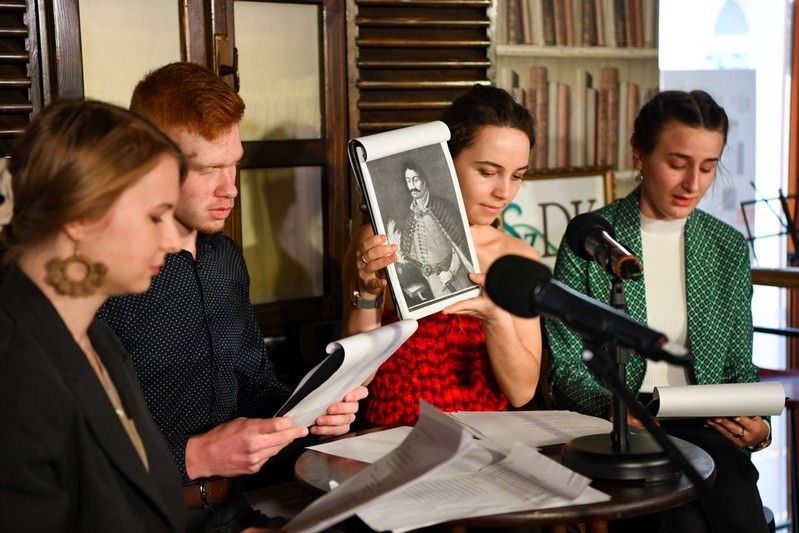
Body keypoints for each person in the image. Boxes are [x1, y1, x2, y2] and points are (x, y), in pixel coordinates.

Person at [97, 62, 367, 531]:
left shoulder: (224, 258)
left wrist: (313, 413)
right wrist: (196, 455)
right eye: (208, 169)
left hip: (234, 510)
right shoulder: (105, 275)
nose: (231, 189)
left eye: (234, 164)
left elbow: (255, 389)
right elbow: (74, 444)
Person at [546, 89, 771, 533]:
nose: (693, 183)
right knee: (684, 518)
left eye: (708, 167)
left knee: (729, 474)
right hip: (623, 428)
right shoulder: (593, 243)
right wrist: (612, 407)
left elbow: (738, 368)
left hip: (708, 426)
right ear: (641, 155)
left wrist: (759, 428)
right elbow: (565, 370)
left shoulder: (726, 247)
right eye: (677, 163)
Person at [0, 99, 186, 530]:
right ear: (80, 215)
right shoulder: (13, 375)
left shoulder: (97, 337)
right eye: (156, 217)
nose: (173, 240)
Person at [343, 84, 543, 426]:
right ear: (443, 162)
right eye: (487, 172)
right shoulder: (379, 240)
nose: (504, 192)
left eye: (517, 176)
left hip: (485, 439)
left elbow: (521, 392)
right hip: (394, 436)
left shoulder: (516, 257)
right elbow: (354, 382)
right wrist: (368, 293)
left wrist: (496, 319)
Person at [389, 159, 473, 302]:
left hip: (455, 277)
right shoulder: (411, 216)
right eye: (408, 181)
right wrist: (404, 258)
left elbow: (457, 246)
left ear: (424, 180)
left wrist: (450, 272)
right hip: (431, 283)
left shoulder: (443, 207)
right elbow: (414, 253)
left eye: (416, 180)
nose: (412, 186)